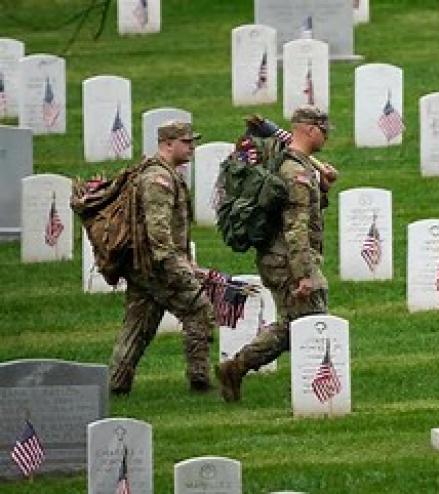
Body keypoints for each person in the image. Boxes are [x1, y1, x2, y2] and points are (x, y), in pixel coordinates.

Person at [216, 106, 336, 402]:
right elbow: (296, 227)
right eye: (323, 130)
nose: (326, 136)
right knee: (307, 323)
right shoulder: (294, 170)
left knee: (299, 324)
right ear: (308, 130)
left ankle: (237, 367)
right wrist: (303, 275)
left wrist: (323, 186)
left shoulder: (301, 165)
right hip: (286, 260)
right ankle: (236, 366)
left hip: (289, 257)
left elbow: (309, 211)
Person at [108, 121, 216, 395]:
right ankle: (199, 379)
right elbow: (159, 233)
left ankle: (115, 384)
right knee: (199, 309)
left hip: (143, 265)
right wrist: (178, 268)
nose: (192, 147)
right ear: (168, 144)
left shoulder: (161, 173)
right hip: (158, 265)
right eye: (186, 142)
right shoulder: (159, 179)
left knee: (138, 326)